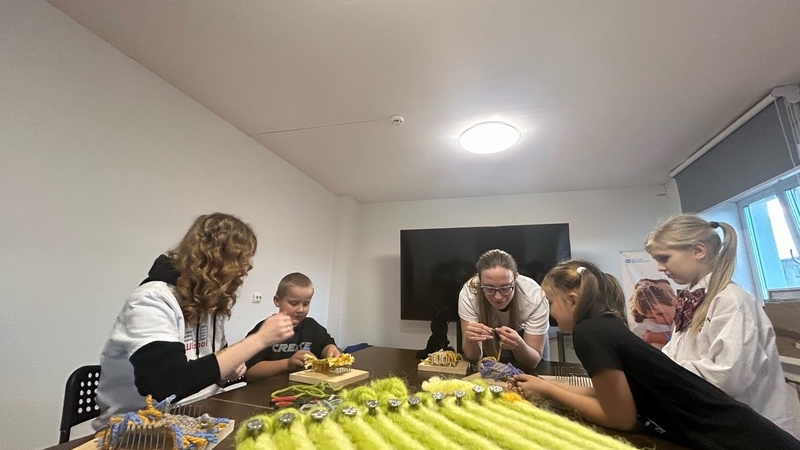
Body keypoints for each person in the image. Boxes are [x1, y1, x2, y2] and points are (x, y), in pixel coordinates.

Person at [510, 260, 800, 449]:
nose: (549, 311)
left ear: (573, 300)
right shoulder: (605, 324)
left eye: (550, 302)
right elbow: (612, 395)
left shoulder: (588, 333)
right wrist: (545, 385)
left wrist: (550, 391)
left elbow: (621, 417)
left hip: (735, 440)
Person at [93, 213, 295, 429]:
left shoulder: (209, 302)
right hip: (137, 428)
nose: (242, 273)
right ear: (214, 261)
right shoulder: (152, 300)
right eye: (237, 264)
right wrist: (259, 339)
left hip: (200, 414)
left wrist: (228, 369)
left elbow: (210, 366)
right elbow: (165, 384)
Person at [646, 214, 800, 437]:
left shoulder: (732, 301)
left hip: (752, 430)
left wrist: (664, 371)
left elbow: (728, 376)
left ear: (698, 251)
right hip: (714, 421)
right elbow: (676, 353)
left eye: (664, 258)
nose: (660, 268)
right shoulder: (692, 300)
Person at [458, 249, 548, 370]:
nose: (498, 297)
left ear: (515, 277)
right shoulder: (470, 293)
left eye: (505, 288)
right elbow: (473, 357)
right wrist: (472, 340)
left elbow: (533, 362)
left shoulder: (534, 296)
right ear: (480, 280)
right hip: (488, 337)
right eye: (489, 288)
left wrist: (519, 345)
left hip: (523, 337)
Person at [244, 272, 340, 380]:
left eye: (306, 304)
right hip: (269, 387)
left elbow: (326, 344)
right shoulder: (264, 330)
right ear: (277, 301)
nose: (301, 309)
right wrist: (287, 364)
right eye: (294, 303)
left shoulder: (311, 326)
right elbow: (250, 372)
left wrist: (331, 350)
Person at [628, 278, 677, 348]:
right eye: (652, 317)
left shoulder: (684, 317)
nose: (659, 320)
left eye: (660, 314)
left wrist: (654, 337)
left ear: (672, 301)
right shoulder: (642, 330)